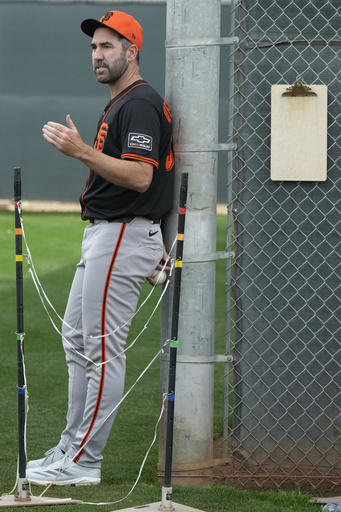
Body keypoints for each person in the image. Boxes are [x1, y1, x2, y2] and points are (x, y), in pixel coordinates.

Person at [26, 10, 174, 486]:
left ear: (132, 51)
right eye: (94, 47)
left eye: (108, 46)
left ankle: (85, 461)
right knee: (77, 342)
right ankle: (71, 447)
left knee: (102, 350)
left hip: (124, 234)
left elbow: (142, 176)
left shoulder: (141, 102)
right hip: (110, 234)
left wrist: (80, 151)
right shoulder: (124, 102)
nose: (97, 55)